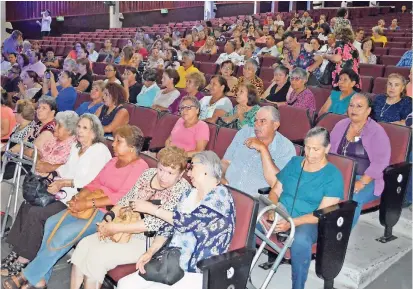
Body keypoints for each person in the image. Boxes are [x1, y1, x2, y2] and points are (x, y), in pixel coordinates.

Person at [2, 125, 149, 289]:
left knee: (63, 234)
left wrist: (86, 203)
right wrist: (79, 197)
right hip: (86, 206)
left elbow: (120, 197)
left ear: (131, 147)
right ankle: (41, 278)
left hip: (106, 215)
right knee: (51, 223)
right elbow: (95, 183)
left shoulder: (140, 167)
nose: (113, 144)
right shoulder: (114, 161)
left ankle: (26, 275)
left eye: (118, 141)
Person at [1, 113, 111, 277]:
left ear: (94, 132)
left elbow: (89, 181)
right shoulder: (76, 147)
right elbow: (65, 169)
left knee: (37, 213)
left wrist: (62, 183)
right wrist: (53, 176)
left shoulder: (99, 150)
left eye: (85, 128)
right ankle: (17, 249)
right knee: (27, 204)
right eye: (79, 126)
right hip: (62, 192)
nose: (80, 131)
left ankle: (25, 258)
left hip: (77, 199)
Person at [70, 146, 191, 289]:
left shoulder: (182, 189)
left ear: (181, 173)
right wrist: (110, 216)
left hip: (150, 240)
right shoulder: (148, 174)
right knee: (84, 245)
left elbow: (154, 224)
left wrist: (115, 228)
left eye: (170, 173)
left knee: (97, 256)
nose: (163, 176)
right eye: (161, 169)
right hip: (125, 225)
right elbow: (127, 198)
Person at [117, 151, 235, 289]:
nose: (188, 173)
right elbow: (168, 226)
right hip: (171, 262)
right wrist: (151, 251)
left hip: (198, 269)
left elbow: (186, 222)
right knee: (125, 284)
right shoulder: (189, 194)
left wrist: (152, 209)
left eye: (191, 168)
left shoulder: (220, 196)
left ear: (204, 169)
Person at [265, 127, 344, 289]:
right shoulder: (295, 162)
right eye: (307, 147)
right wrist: (273, 209)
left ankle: (298, 286)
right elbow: (275, 191)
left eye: (316, 149)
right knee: (249, 219)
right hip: (282, 211)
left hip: (310, 220)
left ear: (327, 148)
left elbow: (320, 214)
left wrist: (291, 223)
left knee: (300, 240)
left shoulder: (333, 175)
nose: (310, 154)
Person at [330, 94, 391, 226]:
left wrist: (362, 182)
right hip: (341, 176)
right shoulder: (341, 125)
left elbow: (380, 162)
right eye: (351, 105)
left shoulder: (376, 131)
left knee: (352, 198)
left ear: (368, 111)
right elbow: (330, 153)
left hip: (368, 179)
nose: (354, 109)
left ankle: (338, 238)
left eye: (359, 106)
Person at [221, 106, 295, 197]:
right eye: (255, 120)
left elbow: (275, 184)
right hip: (226, 192)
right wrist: (220, 177)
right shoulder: (244, 133)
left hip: (254, 202)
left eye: (262, 121)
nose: (257, 124)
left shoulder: (285, 147)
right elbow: (225, 162)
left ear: (275, 125)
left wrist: (263, 149)